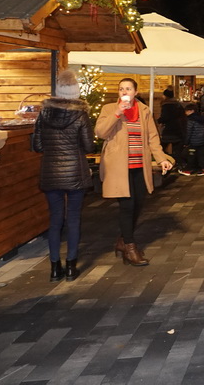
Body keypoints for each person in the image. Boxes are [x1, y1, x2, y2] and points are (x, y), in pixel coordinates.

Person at [96, 78, 174, 266]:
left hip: (140, 164)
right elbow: (100, 132)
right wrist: (117, 112)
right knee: (127, 205)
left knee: (138, 203)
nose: (125, 91)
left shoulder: (144, 111)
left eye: (128, 88)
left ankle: (123, 240)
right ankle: (130, 247)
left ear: (136, 92)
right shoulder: (109, 109)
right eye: (121, 88)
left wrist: (161, 158)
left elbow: (152, 138)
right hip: (118, 166)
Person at [31, 69, 94, 282]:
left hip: (50, 173)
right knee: (74, 218)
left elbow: (37, 145)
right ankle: (71, 267)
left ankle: (54, 268)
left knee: (55, 219)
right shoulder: (81, 115)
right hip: (75, 173)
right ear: (75, 92)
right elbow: (88, 145)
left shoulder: (43, 114)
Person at [179, 103, 204, 176]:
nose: (185, 113)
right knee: (201, 156)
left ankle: (188, 170)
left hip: (193, 142)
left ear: (191, 111)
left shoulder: (191, 119)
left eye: (186, 111)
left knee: (191, 156)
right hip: (202, 141)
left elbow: (189, 132)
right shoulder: (202, 118)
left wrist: (186, 142)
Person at [157, 88, 186, 167]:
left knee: (162, 147)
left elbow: (165, 117)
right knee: (176, 150)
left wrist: (158, 121)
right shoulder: (178, 104)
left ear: (165, 96)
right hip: (178, 129)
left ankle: (166, 161)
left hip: (169, 129)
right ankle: (179, 164)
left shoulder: (166, 105)